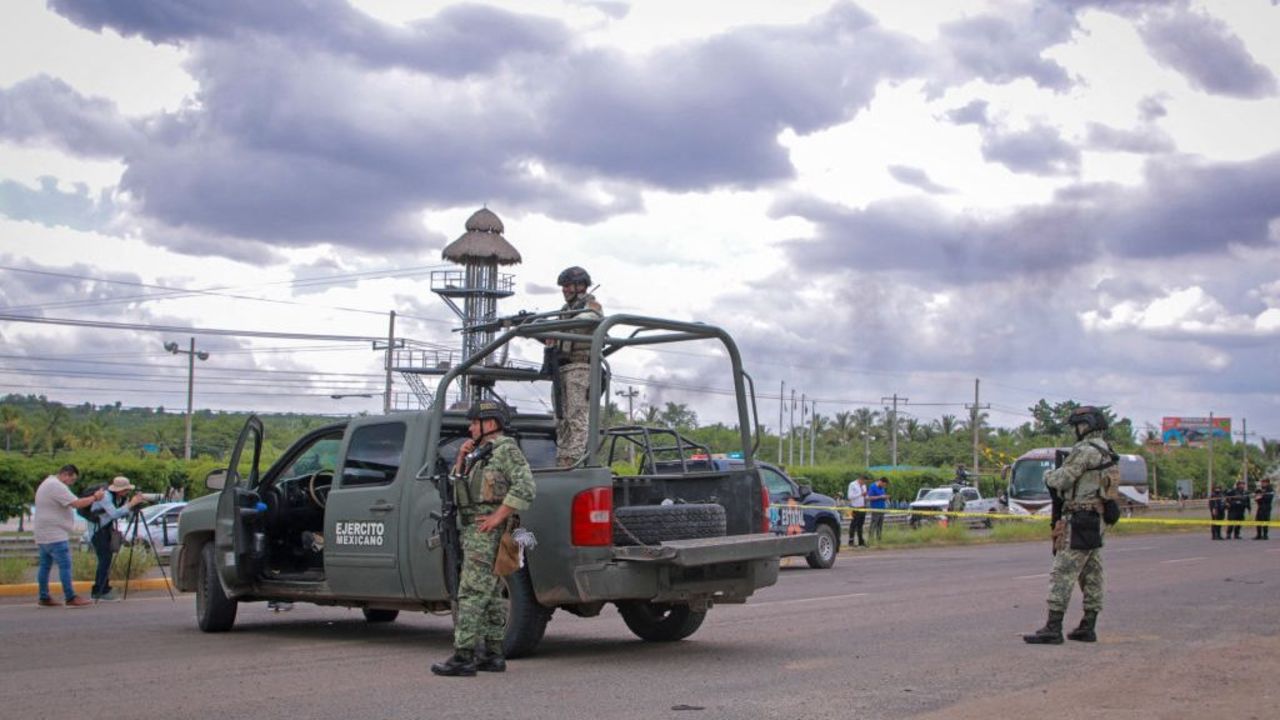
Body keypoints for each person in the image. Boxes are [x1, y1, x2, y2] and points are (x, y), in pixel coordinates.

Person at [432, 398, 536, 677]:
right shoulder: (480, 452)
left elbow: (526, 487)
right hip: (472, 529)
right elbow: (459, 487)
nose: (469, 428)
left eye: (473, 423)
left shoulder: (506, 450)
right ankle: (492, 654)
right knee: (489, 593)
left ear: (489, 424)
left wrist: (497, 517)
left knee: (470, 592)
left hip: (485, 532)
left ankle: (463, 656)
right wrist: (460, 460)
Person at [1024, 406, 1117, 645]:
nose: (1076, 430)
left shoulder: (1085, 451)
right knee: (1092, 574)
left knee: (1063, 572)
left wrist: (1047, 477)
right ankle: (1088, 626)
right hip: (1097, 520)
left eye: (1077, 425)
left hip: (1078, 518)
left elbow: (1062, 479)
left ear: (1085, 426)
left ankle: (1053, 628)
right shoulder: (1108, 451)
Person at [551, 266, 603, 468]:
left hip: (580, 367)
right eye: (563, 287)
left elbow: (590, 317)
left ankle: (575, 459)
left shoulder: (591, 305)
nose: (564, 290)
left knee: (576, 417)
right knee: (561, 418)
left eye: (567, 286)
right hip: (562, 367)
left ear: (580, 286)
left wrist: (559, 326)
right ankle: (563, 458)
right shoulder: (565, 311)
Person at [33, 464, 102, 608]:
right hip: (55, 534)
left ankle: (44, 596)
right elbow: (77, 503)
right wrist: (95, 497)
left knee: (45, 566)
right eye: (72, 480)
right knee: (65, 565)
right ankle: (70, 596)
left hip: (43, 533)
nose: (71, 483)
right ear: (66, 474)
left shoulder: (47, 483)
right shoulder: (56, 486)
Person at [84, 475, 145, 602]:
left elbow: (123, 514)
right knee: (104, 560)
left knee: (107, 559)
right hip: (98, 531)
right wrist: (131, 503)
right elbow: (114, 513)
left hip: (106, 529)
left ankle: (103, 588)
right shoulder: (106, 496)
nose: (128, 492)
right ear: (119, 489)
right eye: (126, 489)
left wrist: (133, 507)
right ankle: (99, 590)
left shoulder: (119, 498)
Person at [846, 474, 868, 547]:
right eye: (864, 482)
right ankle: (851, 541)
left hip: (863, 507)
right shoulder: (852, 484)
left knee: (860, 525)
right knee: (853, 525)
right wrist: (860, 494)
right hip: (855, 507)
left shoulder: (864, 486)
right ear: (860, 479)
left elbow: (864, 496)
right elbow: (850, 496)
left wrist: (866, 496)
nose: (864, 484)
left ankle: (861, 541)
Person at [866, 477, 889, 543]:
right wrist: (880, 497)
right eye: (884, 484)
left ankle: (879, 539)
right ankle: (870, 539)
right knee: (873, 524)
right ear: (880, 482)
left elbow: (883, 495)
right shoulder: (872, 487)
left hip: (882, 509)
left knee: (880, 526)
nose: (884, 486)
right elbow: (869, 498)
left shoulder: (882, 488)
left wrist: (885, 497)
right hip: (875, 509)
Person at [1255, 475, 1275, 540]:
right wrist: (1259, 497)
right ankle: (1258, 535)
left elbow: (1269, 498)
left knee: (1265, 521)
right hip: (1260, 507)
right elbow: (1257, 498)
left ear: (1268, 483)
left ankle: (1265, 535)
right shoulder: (1260, 489)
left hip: (1266, 507)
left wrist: (1262, 497)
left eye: (1264, 482)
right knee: (1258, 520)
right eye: (1262, 482)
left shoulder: (1270, 489)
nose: (1263, 483)